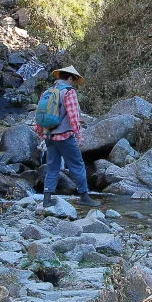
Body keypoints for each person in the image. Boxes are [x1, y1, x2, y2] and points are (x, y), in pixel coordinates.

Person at [34, 66, 100, 208]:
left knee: (52, 167)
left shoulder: (47, 92)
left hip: (49, 136)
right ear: (69, 78)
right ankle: (84, 196)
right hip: (65, 136)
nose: (74, 83)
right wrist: (79, 135)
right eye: (74, 80)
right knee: (77, 165)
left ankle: (47, 198)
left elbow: (39, 115)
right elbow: (73, 116)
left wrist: (41, 134)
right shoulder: (69, 92)